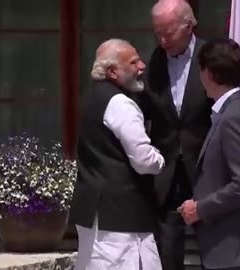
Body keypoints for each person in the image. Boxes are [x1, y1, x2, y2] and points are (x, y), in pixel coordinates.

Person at [178, 38, 240, 270]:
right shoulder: (228, 111)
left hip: (235, 247)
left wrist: (200, 208)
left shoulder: (235, 115)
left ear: (208, 73)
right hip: (226, 247)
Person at [69, 39, 165, 270]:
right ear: (112, 71)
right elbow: (143, 160)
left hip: (97, 212)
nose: (142, 66)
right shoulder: (121, 103)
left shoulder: (92, 98)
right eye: (133, 62)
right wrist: (160, 158)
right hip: (121, 219)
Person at [142, 1, 213, 269]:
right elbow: (146, 108)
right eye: (157, 32)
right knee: (168, 253)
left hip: (205, 167)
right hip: (167, 170)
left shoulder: (210, 55)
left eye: (168, 32)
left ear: (189, 25)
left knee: (213, 248)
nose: (162, 40)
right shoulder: (155, 60)